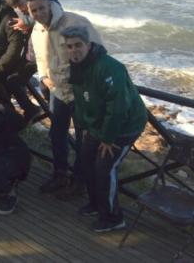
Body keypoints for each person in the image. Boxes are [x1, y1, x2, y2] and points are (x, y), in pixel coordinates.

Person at [62, 26, 147, 233]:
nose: (74, 50)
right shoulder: (77, 65)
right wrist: (83, 126)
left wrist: (108, 139)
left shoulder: (109, 67)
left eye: (78, 45)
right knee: (85, 161)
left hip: (125, 126)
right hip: (97, 125)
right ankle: (96, 204)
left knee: (104, 169)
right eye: (70, 47)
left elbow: (117, 107)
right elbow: (82, 100)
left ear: (89, 45)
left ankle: (113, 217)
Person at [27, 0, 102, 196]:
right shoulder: (37, 29)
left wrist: (89, 85)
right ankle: (60, 175)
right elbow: (40, 58)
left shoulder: (74, 22)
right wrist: (43, 77)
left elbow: (98, 51)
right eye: (34, 11)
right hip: (58, 92)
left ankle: (79, 182)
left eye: (41, 8)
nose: (39, 14)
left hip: (80, 93)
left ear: (49, 4)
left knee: (82, 139)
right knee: (57, 134)